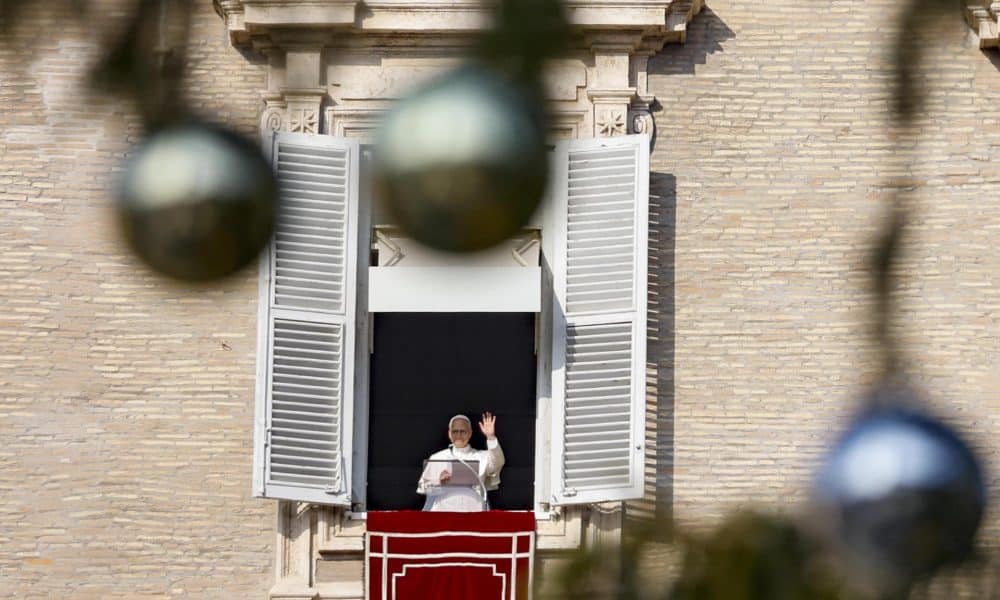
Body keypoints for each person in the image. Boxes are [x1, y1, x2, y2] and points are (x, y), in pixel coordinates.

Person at [417, 412, 505, 512]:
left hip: (474, 512)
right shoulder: (437, 457)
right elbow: (422, 487)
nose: (459, 435)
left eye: (463, 431)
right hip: (444, 513)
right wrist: (438, 482)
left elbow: (498, 462)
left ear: (470, 433)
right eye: (455, 431)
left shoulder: (482, 456)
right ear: (449, 434)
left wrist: (491, 437)